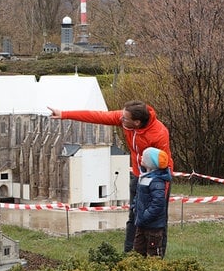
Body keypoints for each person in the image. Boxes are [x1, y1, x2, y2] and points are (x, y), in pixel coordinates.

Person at [48, 100, 173, 254]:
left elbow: (164, 162)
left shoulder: (159, 134)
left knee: (158, 220)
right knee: (133, 216)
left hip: (157, 180)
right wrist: (64, 114)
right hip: (138, 177)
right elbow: (99, 116)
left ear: (137, 122)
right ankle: (130, 255)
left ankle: (157, 256)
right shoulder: (127, 120)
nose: (121, 119)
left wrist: (162, 191)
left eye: (125, 118)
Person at [133, 147, 172, 257]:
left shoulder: (157, 181)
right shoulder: (144, 177)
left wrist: (145, 215)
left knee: (153, 253)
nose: (141, 158)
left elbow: (158, 203)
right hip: (142, 223)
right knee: (138, 252)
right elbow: (139, 195)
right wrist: (134, 207)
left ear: (151, 163)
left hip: (153, 227)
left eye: (144, 157)